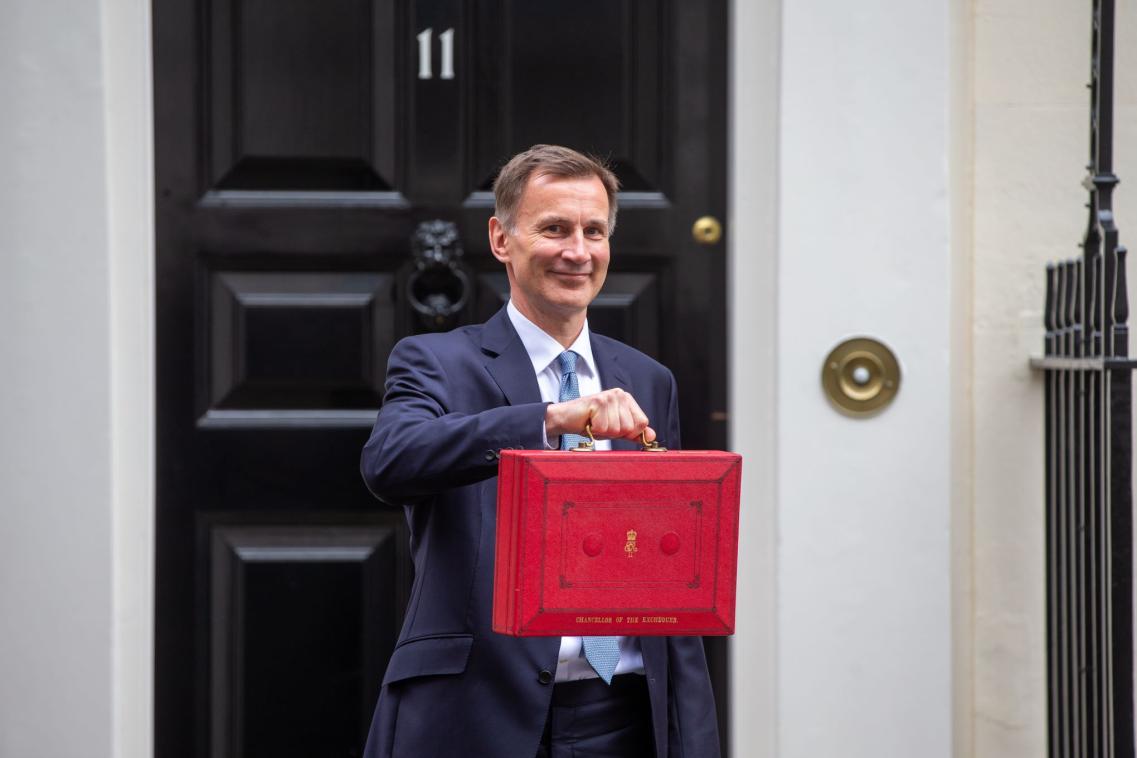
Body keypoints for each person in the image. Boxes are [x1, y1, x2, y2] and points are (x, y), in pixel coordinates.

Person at [360, 144, 720, 758]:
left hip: (626, 714)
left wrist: (695, 736)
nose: (578, 252)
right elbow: (391, 461)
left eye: (594, 231)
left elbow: (671, 575)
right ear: (502, 239)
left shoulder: (648, 379)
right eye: (554, 228)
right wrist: (547, 421)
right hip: (474, 713)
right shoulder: (436, 362)